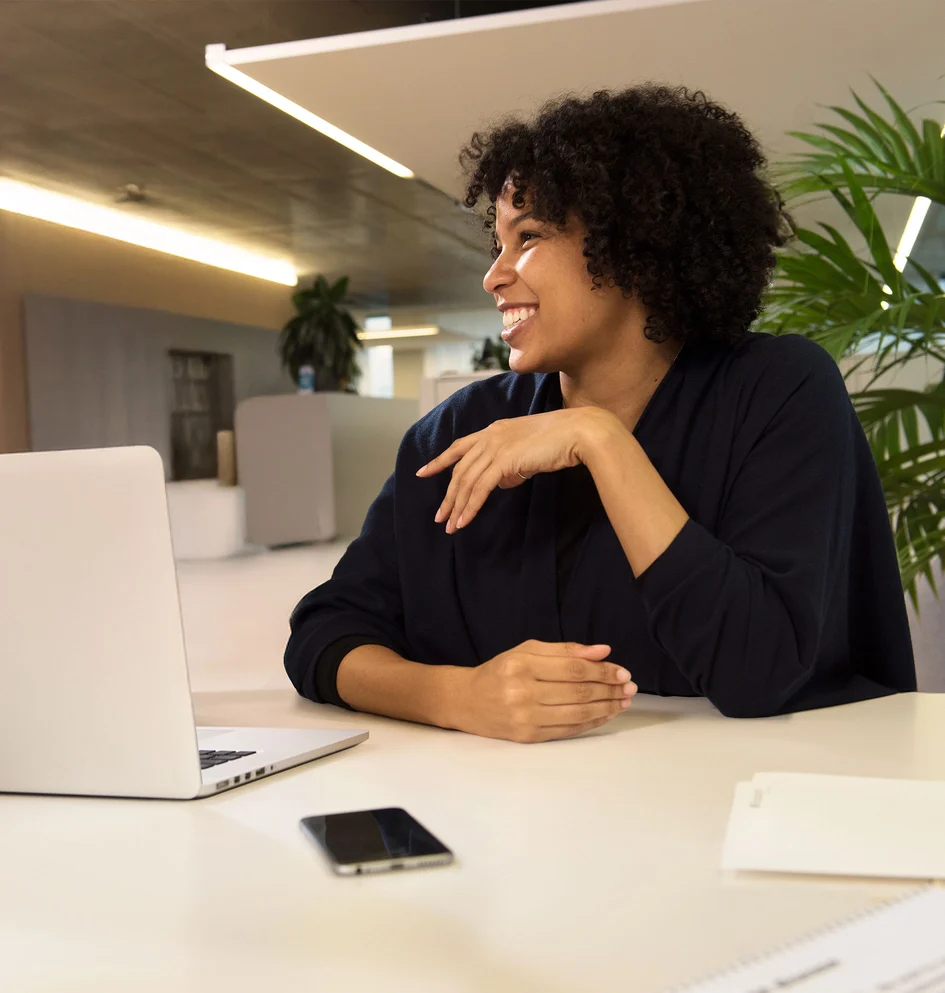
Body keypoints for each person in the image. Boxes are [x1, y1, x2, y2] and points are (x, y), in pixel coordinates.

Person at [285, 84, 916, 742]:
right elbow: (323, 638)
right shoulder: (458, 431)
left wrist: (599, 439)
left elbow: (757, 670)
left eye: (527, 237)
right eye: (496, 243)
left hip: (732, 814)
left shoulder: (776, 390)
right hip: (504, 822)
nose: (493, 275)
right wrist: (455, 693)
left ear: (632, 243)